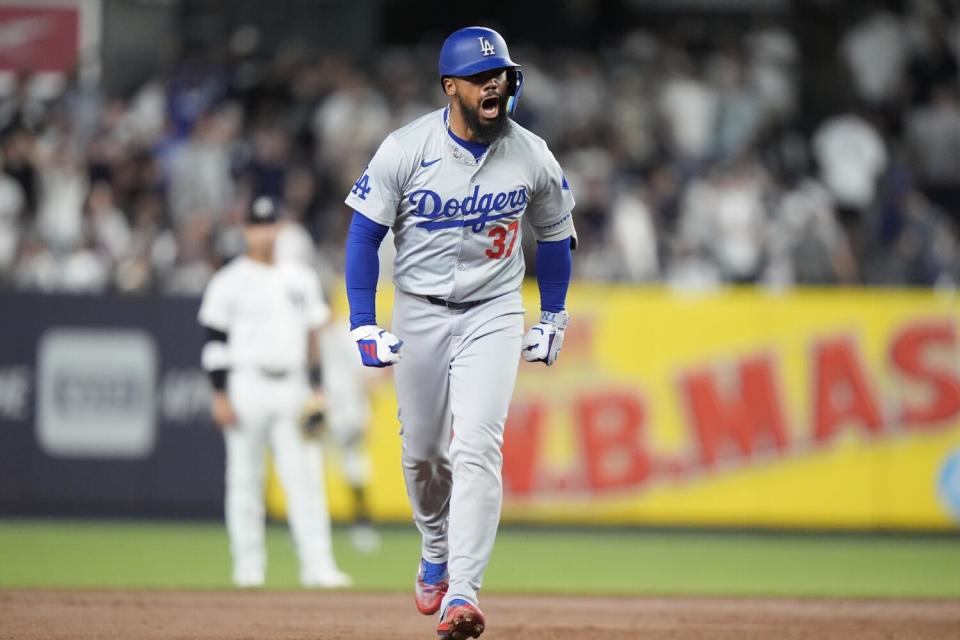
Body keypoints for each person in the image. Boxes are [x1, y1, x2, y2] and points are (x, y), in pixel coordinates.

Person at [343, 26, 576, 639]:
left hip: (494, 310)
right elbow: (364, 236)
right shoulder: (405, 148)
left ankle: (463, 595)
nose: (492, 83)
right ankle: (435, 547)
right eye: (479, 78)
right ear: (452, 88)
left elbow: (556, 234)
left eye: (498, 73)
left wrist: (552, 314)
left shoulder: (531, 152)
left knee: (478, 445)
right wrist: (363, 322)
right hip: (418, 309)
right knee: (423, 455)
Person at [198, 195, 351, 589]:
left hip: (294, 384)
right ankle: (248, 568)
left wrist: (319, 389)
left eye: (270, 224)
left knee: (306, 478)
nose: (264, 232)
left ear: (280, 229)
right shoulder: (229, 279)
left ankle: (318, 566)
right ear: (246, 230)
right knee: (245, 480)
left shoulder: (299, 276)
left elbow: (314, 336)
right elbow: (214, 341)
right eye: (256, 225)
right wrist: (219, 394)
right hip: (247, 383)